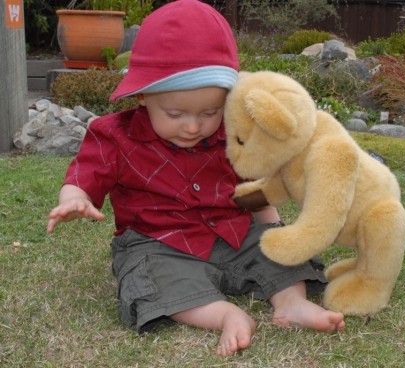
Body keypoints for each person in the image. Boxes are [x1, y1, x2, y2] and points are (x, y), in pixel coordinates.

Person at [46, 0, 344, 357]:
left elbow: (254, 188)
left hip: (233, 231)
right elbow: (85, 173)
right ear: (142, 95)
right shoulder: (114, 135)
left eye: (209, 112)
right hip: (158, 241)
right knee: (151, 275)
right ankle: (224, 315)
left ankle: (291, 303)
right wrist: (73, 198)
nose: (192, 126)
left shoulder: (235, 133)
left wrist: (273, 232)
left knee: (282, 248)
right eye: (175, 113)